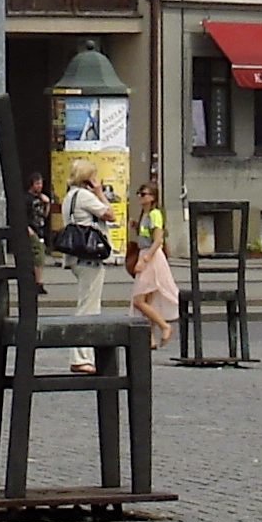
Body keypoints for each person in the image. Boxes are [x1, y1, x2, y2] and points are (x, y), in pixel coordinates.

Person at [60, 157, 115, 372]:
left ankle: (84, 355)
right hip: (90, 256)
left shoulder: (69, 197)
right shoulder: (85, 196)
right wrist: (100, 192)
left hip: (75, 256)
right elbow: (109, 214)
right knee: (88, 307)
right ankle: (81, 357)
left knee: (87, 303)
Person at [126, 179, 177, 349]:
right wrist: (135, 227)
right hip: (146, 254)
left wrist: (145, 260)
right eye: (139, 194)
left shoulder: (155, 214)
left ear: (153, 197)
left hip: (151, 257)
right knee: (148, 298)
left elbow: (157, 240)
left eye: (144, 194)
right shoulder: (144, 214)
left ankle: (165, 326)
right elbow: (145, 236)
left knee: (139, 300)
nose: (140, 197)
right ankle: (151, 338)